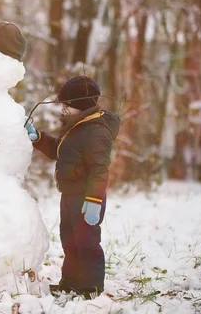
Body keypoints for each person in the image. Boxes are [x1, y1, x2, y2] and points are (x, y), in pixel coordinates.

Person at [26, 75, 120, 299]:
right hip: (69, 193)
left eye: (66, 105)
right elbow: (61, 151)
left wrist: (94, 200)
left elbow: (100, 168)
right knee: (70, 239)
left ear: (80, 105)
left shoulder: (96, 131)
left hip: (86, 197)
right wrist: (38, 138)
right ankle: (70, 282)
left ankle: (90, 287)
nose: (63, 109)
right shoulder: (77, 125)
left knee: (86, 242)